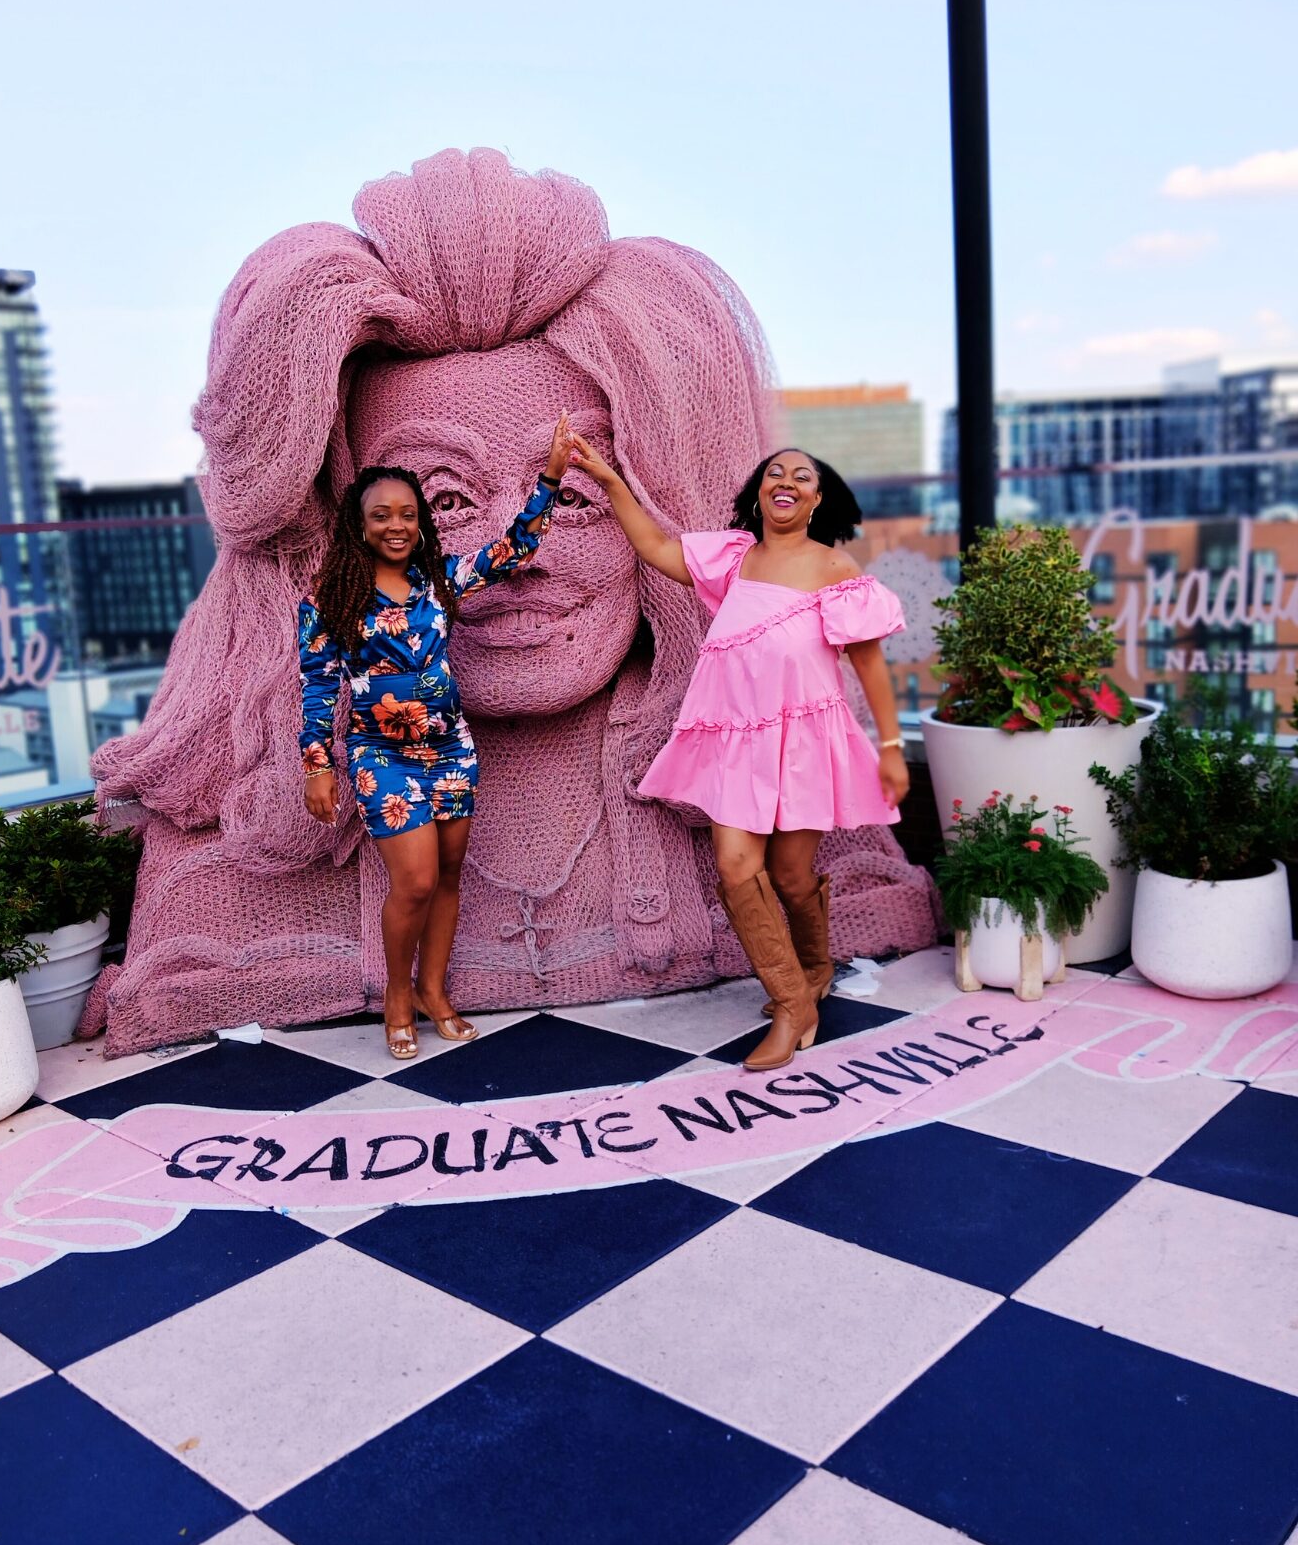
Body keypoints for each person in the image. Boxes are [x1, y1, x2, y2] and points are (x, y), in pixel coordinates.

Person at [567, 438, 910, 1071]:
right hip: (736, 743)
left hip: (805, 744)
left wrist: (891, 748)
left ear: (817, 497)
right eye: (774, 473)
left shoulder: (835, 569)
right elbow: (655, 547)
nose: (786, 480)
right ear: (759, 493)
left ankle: (814, 970)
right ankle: (791, 1002)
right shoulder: (733, 558)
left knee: (792, 876)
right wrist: (610, 479)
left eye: (801, 475)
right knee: (734, 865)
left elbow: (870, 666)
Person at [299, 413, 575, 1057]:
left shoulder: (438, 580)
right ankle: (397, 997)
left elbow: (514, 552)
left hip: (451, 751)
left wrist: (552, 476)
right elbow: (316, 686)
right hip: (381, 758)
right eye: (380, 515)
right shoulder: (330, 597)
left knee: (449, 876)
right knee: (416, 882)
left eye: (406, 513)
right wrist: (318, 763)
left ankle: (434, 990)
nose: (395, 526)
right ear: (358, 525)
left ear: (419, 519)